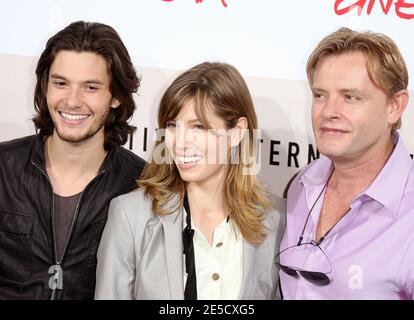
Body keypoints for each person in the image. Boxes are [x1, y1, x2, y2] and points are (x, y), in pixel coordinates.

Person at [95, 62, 285, 300]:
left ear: (237, 132)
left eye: (198, 127)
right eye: (173, 125)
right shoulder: (131, 216)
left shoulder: (276, 220)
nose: (181, 142)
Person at [0, 21, 145, 299]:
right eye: (61, 83)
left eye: (91, 87)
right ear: (45, 87)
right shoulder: (3, 168)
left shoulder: (141, 186)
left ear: (115, 96)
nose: (72, 101)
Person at [279, 27, 413, 299]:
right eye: (320, 95)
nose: (329, 111)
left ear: (395, 106)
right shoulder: (301, 185)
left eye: (350, 97)